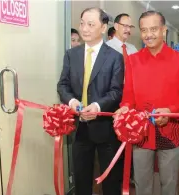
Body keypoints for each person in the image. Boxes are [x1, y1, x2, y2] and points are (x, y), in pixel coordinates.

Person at [114, 10, 179, 195]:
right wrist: (124, 108)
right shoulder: (133, 61)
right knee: (142, 182)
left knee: (170, 183)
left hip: (170, 130)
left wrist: (170, 111)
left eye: (154, 29)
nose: (148, 35)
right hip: (140, 132)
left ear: (164, 30)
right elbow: (128, 95)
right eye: (144, 30)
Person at [57, 7, 124, 195]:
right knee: (81, 177)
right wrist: (71, 103)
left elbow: (116, 92)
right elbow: (62, 85)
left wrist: (96, 106)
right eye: (82, 23)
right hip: (80, 128)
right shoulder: (72, 54)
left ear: (103, 28)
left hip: (105, 128)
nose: (84, 29)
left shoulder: (115, 58)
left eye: (91, 24)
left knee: (110, 180)